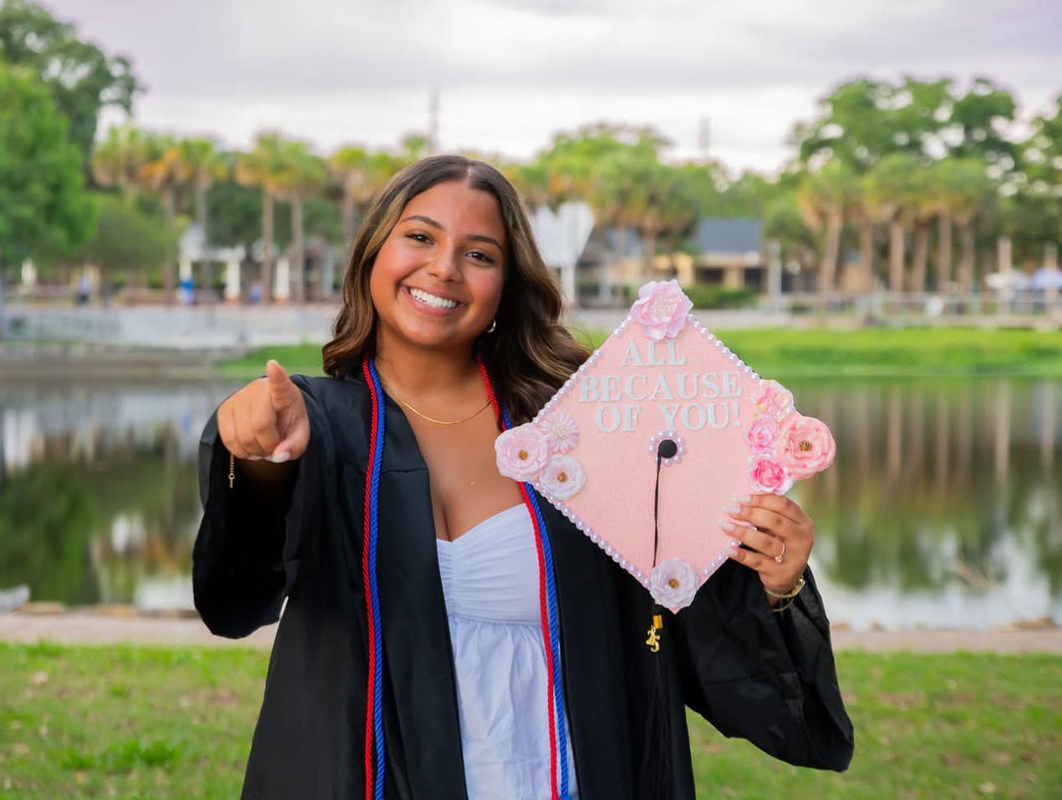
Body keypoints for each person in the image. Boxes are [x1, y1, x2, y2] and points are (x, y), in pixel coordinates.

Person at [193, 155, 853, 800]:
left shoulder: (575, 432)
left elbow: (682, 615)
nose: (444, 268)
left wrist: (776, 582)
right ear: (372, 254)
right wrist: (257, 460)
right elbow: (239, 594)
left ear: (506, 285)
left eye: (479, 254)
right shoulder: (318, 425)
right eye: (420, 237)